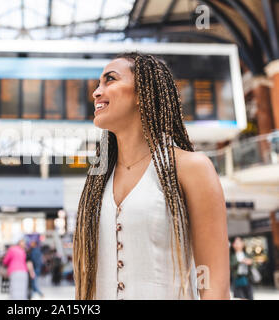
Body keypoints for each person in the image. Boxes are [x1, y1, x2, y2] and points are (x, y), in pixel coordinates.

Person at [73, 52, 230, 300]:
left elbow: (213, 286)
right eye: (97, 84)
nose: (96, 92)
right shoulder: (98, 178)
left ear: (142, 93)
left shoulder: (192, 168)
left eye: (110, 80)